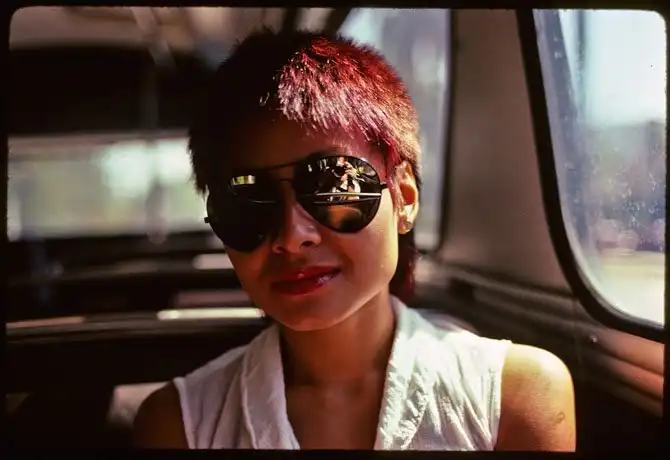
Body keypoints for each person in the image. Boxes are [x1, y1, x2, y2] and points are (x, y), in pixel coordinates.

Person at [133, 29, 576, 451]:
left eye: (334, 186)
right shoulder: (179, 425)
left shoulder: (513, 398)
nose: (292, 237)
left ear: (404, 197)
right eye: (247, 203)